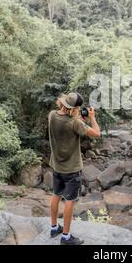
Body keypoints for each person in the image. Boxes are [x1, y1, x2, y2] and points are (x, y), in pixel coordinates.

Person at [48, 92, 101, 245]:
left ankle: (53, 228)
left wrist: (77, 118)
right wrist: (92, 118)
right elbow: (97, 133)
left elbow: (65, 120)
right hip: (71, 169)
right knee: (70, 200)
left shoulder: (52, 115)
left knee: (56, 194)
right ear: (76, 108)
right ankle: (65, 237)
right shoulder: (75, 123)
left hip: (57, 166)